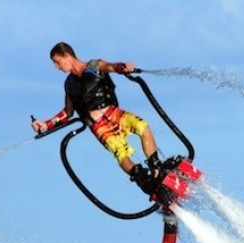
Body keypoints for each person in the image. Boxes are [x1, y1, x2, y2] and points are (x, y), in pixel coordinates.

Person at [31, 41, 163, 197]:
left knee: (143, 127)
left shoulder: (94, 65)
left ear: (67, 55)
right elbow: (68, 112)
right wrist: (45, 125)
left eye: (57, 62)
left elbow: (112, 67)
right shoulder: (69, 84)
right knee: (120, 152)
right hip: (98, 125)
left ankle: (157, 172)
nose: (57, 67)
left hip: (113, 112)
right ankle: (143, 181)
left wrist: (123, 67)